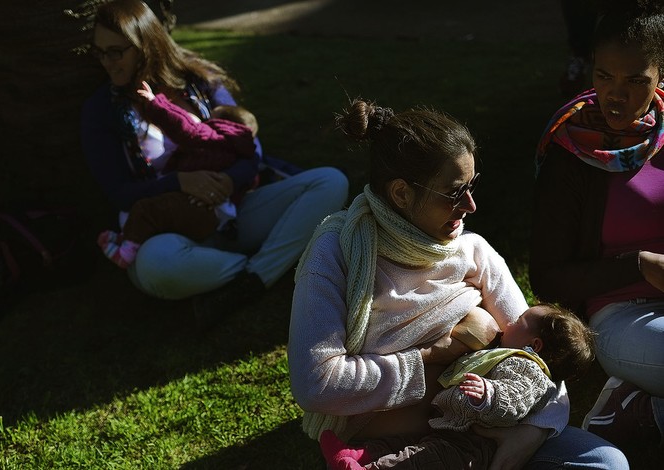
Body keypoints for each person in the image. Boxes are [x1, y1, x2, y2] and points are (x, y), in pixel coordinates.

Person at [288, 97, 627, 470]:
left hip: (481, 436)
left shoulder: (473, 251)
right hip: (392, 450)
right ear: (402, 193)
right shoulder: (338, 252)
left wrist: (528, 435)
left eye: (471, 185)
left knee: (606, 461)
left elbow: (540, 359)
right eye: (453, 192)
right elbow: (317, 383)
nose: (470, 205)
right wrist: (438, 353)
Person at [81, 0, 348, 326]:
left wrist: (230, 181)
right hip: (169, 231)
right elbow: (119, 192)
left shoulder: (198, 81)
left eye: (116, 52)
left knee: (331, 182)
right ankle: (264, 266)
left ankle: (249, 279)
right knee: (155, 266)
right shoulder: (101, 111)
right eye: (99, 52)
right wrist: (179, 182)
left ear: (145, 45)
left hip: (233, 212)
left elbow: (250, 149)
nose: (107, 63)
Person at [531, 0, 664, 451]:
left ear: (660, 78)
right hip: (619, 316)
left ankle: (641, 411)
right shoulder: (571, 153)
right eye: (604, 76)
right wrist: (640, 266)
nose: (615, 95)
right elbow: (547, 276)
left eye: (634, 81)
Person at [318, 303, 597, 469]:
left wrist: (489, 395)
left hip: (473, 449)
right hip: (453, 432)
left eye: (520, 321)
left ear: (534, 345)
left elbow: (515, 399)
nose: (510, 321)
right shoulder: (508, 355)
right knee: (408, 445)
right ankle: (357, 454)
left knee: (417, 462)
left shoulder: (527, 368)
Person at [97, 80, 259, 269]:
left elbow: (186, 128)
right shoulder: (239, 149)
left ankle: (127, 250)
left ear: (223, 123)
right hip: (219, 215)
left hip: (196, 207)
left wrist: (155, 103)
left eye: (211, 119)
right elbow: (250, 179)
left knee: (148, 210)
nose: (206, 123)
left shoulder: (214, 137)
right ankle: (130, 238)